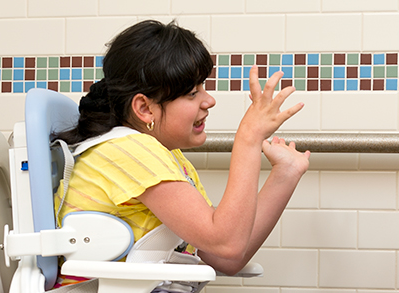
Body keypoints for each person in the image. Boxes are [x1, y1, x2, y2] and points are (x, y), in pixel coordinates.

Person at [52, 20, 310, 289]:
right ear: (145, 109)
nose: (209, 100)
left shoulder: (161, 155)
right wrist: (248, 138)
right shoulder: (128, 151)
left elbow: (224, 255)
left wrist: (285, 173)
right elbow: (227, 245)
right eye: (192, 92)